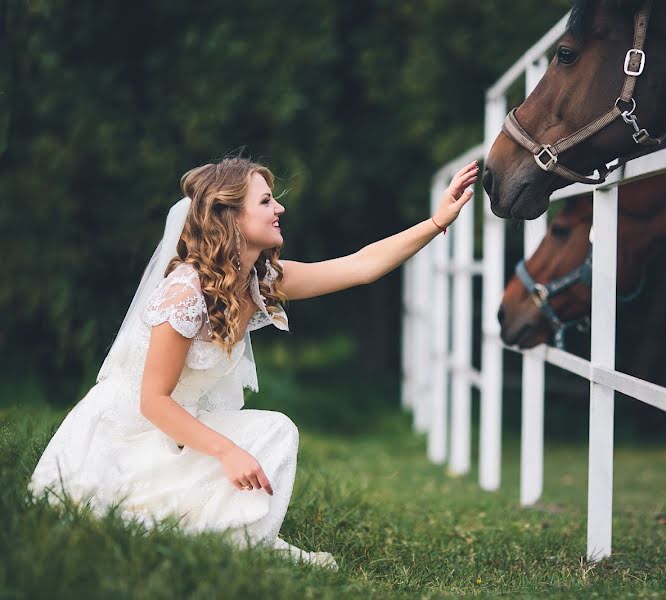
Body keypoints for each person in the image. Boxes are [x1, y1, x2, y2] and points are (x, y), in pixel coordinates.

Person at [27, 156, 478, 569]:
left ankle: (237, 537)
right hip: (128, 437)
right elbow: (153, 401)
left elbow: (359, 266)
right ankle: (221, 538)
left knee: (276, 430)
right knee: (238, 451)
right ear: (231, 218)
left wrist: (437, 221)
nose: (279, 208)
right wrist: (227, 451)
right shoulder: (185, 292)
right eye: (265, 201)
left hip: (182, 429)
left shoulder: (258, 281)